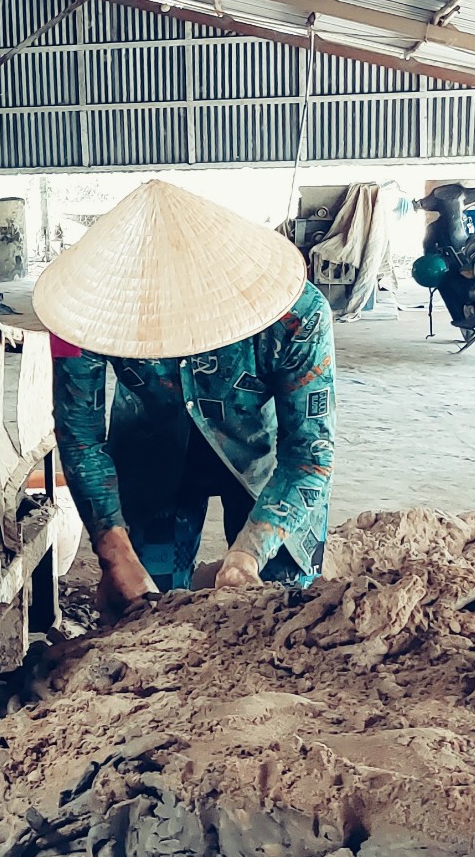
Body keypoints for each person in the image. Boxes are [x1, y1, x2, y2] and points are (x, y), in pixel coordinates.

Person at [33, 178, 336, 612]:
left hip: (261, 459)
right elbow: (80, 435)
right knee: (144, 605)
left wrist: (249, 553)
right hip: (151, 449)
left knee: (282, 606)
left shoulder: (298, 315)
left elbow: (309, 454)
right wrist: (113, 550)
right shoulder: (79, 311)